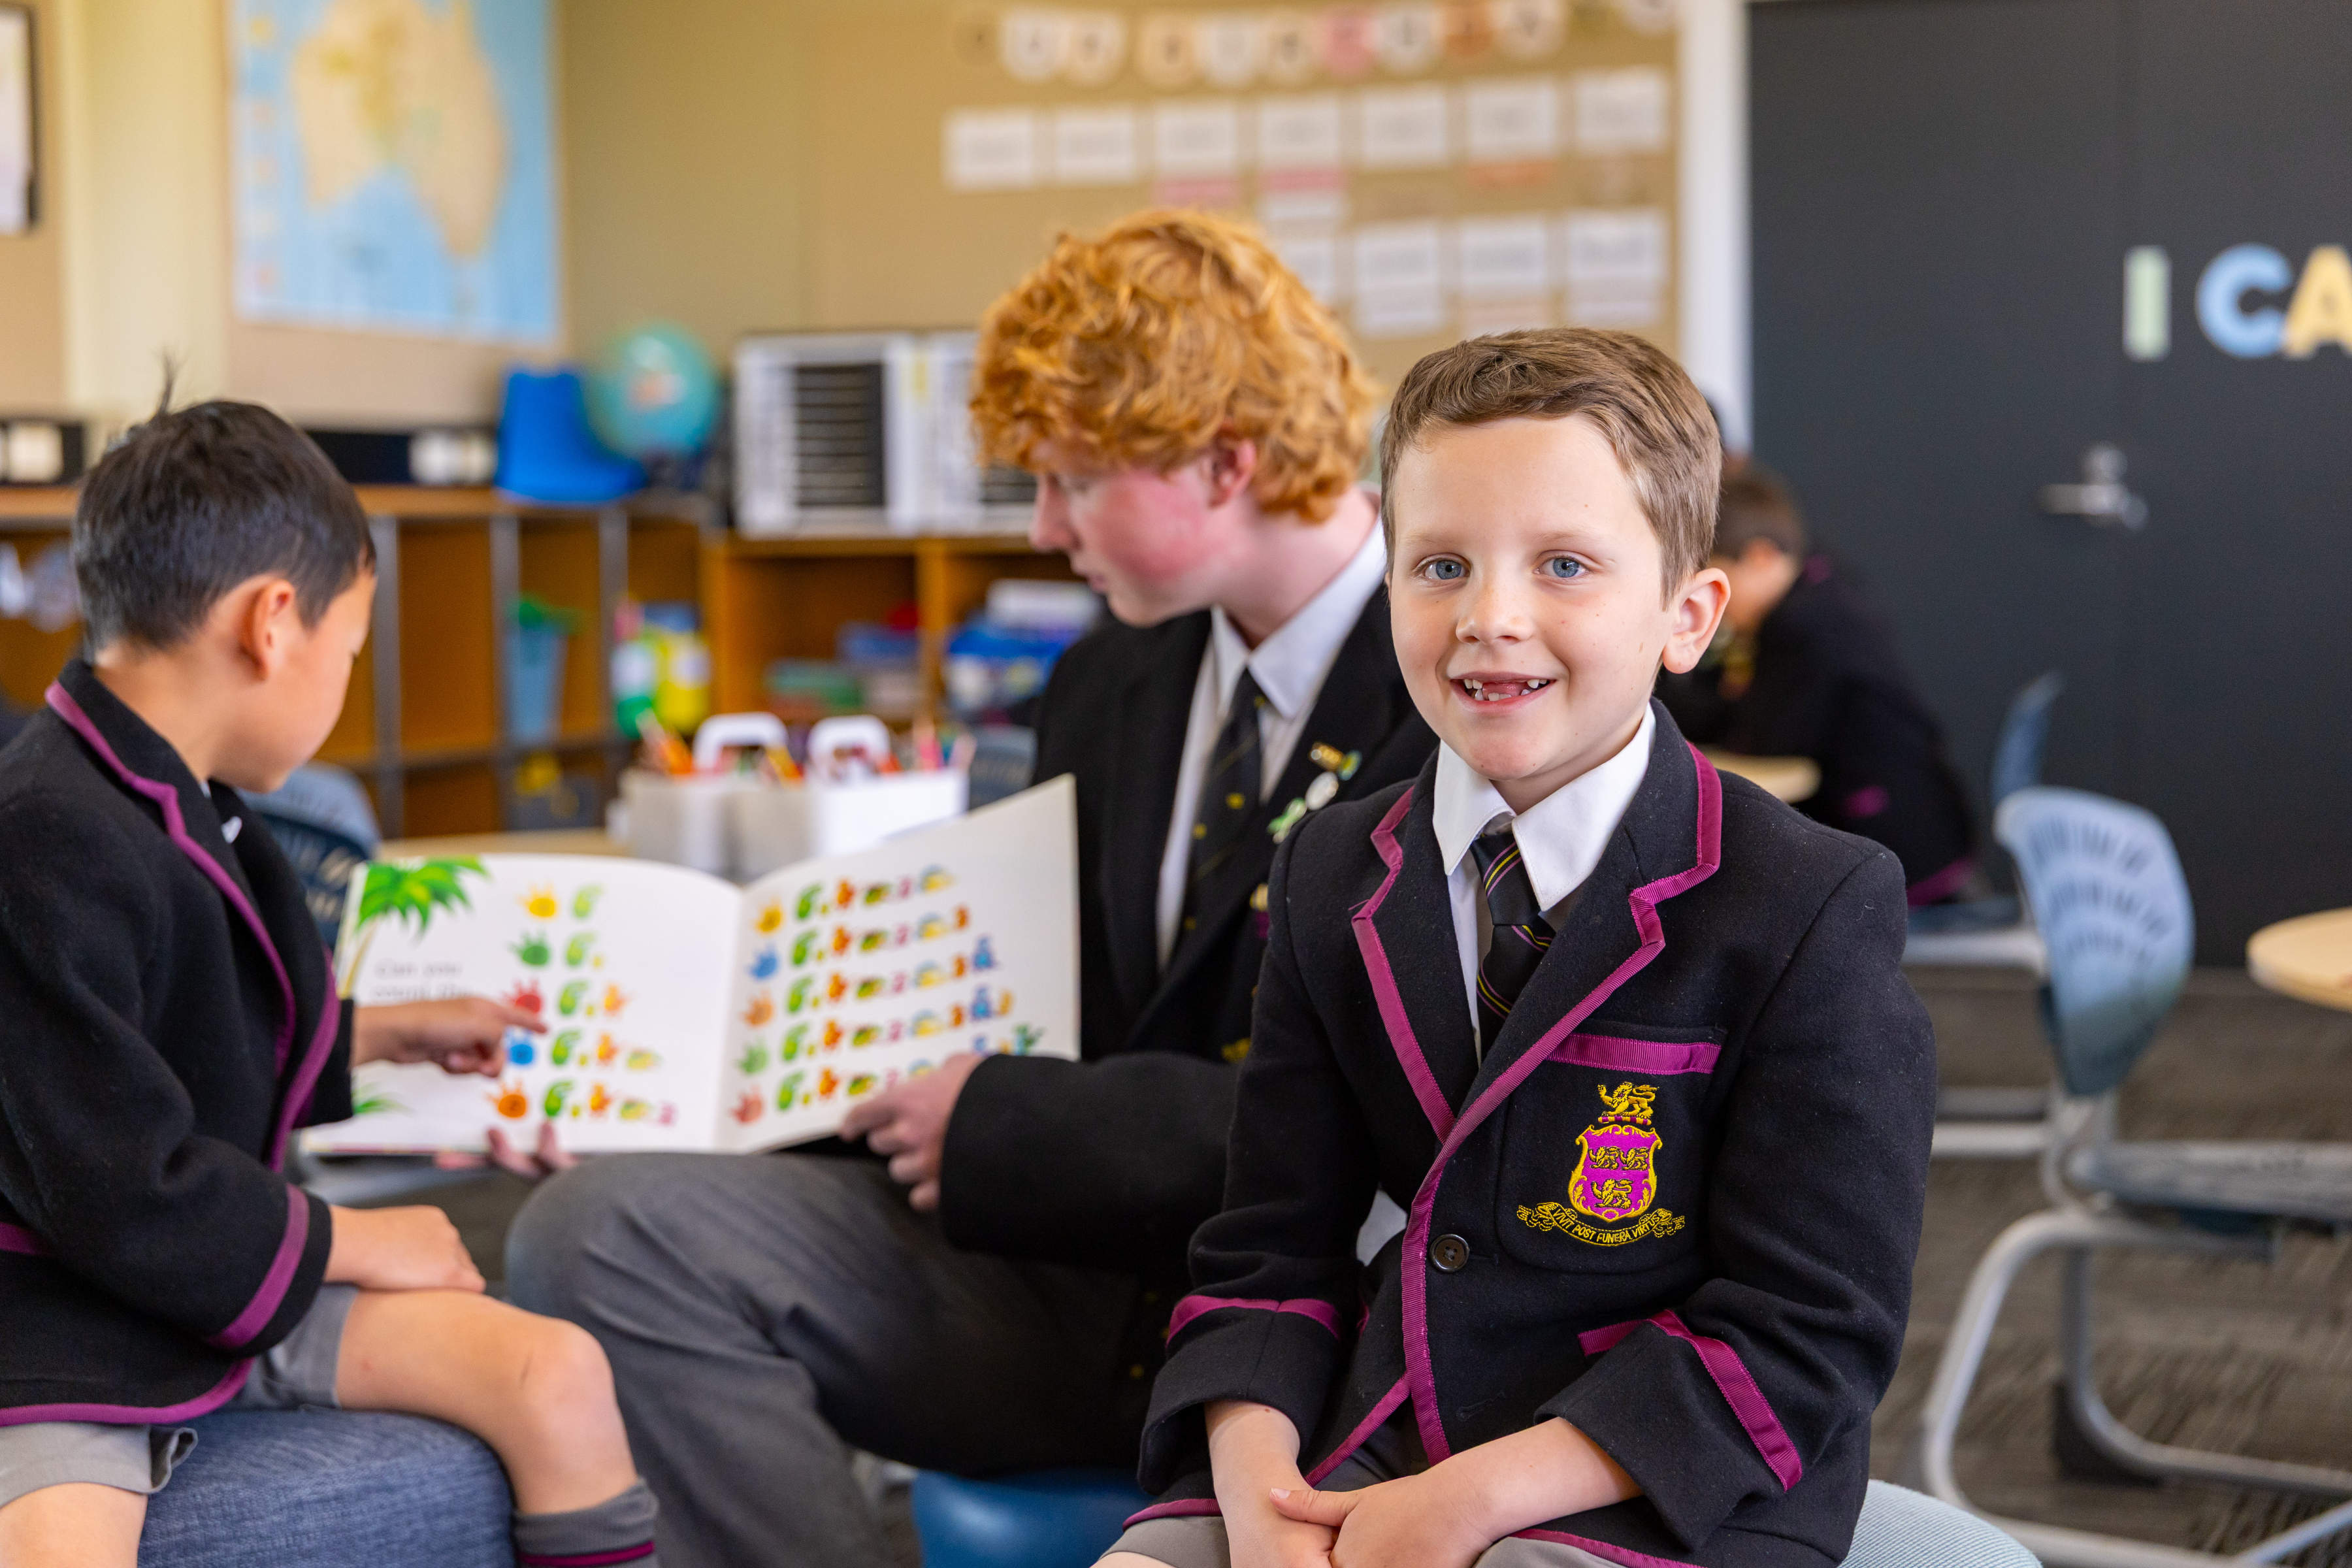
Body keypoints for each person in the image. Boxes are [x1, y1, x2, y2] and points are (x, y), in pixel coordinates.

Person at [504, 210, 1439, 1568]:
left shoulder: (1459, 686)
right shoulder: (1109, 680)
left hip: (1323, 1332)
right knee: (606, 1228)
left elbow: (1390, 1118)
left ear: (1226, 462)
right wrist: (680, 1093)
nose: (1047, 530)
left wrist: (1002, 1123)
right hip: (1073, 1273)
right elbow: (1033, 996)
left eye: (1071, 482)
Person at [1102, 330, 1935, 1568]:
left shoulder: (1811, 903)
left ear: (1686, 615)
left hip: (1663, 1473)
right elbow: (1271, 1247)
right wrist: (1256, 1481)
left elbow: (1804, 1331)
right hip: (1381, 1434)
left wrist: (1472, 1505)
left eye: (1564, 565)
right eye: (1440, 565)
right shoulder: (1332, 869)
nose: (1492, 619)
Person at [0, 400, 662, 1568]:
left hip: (216, 1285)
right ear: (273, 623)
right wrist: (355, 1239)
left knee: (553, 1374)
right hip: (64, 1326)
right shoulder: (44, 834)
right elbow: (118, 1188)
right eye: (351, 652)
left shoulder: (187, 795)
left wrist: (385, 1036)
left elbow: (180, 1035)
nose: (346, 683)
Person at [1659, 469, 1976, 904]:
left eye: (1718, 579)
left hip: (1900, 852)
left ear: (1762, 558)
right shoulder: (1819, 583)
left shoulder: (1806, 628)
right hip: (1928, 824)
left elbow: (1765, 741)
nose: (1709, 602)